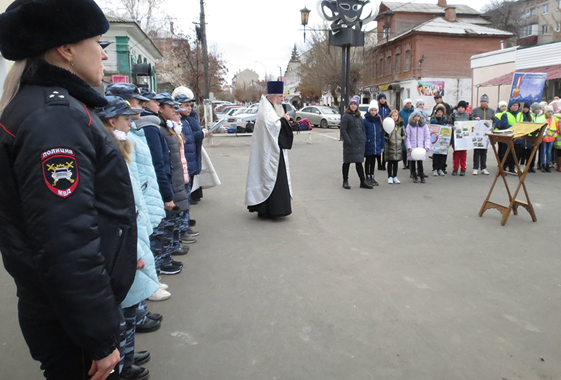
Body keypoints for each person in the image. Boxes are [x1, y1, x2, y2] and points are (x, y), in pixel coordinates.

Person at [0, 1, 136, 379]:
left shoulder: (51, 107)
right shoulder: (53, 118)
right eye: (97, 41)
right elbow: (66, 241)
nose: (104, 54)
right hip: (71, 321)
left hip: (66, 311)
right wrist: (99, 337)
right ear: (66, 49)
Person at [96, 96, 158, 380]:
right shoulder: (107, 153)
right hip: (125, 246)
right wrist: (132, 251)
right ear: (112, 121)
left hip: (132, 239)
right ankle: (121, 366)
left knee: (128, 310)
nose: (131, 123)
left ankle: (127, 357)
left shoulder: (118, 147)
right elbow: (116, 212)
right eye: (126, 119)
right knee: (122, 314)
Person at [246, 81, 294, 216]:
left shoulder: (272, 108)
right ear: (271, 97)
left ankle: (277, 209)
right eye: (280, 96)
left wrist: (283, 120)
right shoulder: (266, 110)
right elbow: (273, 127)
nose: (282, 99)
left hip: (275, 150)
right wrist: (284, 120)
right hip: (268, 152)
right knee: (270, 178)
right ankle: (271, 210)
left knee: (277, 178)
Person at [339, 96, 372, 189]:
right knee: (347, 162)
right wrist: (348, 140)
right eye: (352, 104)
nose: (353, 106)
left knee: (359, 162)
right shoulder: (346, 116)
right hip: (349, 144)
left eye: (355, 104)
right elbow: (343, 130)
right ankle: (345, 181)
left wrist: (363, 139)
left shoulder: (359, 117)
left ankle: (363, 181)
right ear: (349, 106)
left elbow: (362, 129)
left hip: (359, 144)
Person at [471, 94, 495, 175]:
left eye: (485, 101)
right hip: (477, 134)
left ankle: (483, 167)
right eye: (482, 101)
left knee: (484, 151)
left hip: (486, 134)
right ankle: (475, 168)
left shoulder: (491, 111)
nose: (483, 103)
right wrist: (475, 119)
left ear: (487, 102)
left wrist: (493, 127)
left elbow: (495, 120)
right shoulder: (475, 110)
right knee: (476, 151)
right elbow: (470, 118)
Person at [406, 110, 431, 183]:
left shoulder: (424, 125)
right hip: (412, 148)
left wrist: (426, 146)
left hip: (421, 147)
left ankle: (421, 175)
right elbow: (407, 137)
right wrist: (409, 146)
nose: (417, 118)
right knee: (412, 162)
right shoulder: (409, 125)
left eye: (418, 116)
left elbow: (427, 136)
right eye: (415, 116)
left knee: (420, 163)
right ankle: (414, 175)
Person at [363, 100, 384, 186]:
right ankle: (367, 176)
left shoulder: (378, 120)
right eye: (372, 110)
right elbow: (363, 133)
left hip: (376, 144)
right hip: (368, 144)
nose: (373, 112)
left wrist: (382, 145)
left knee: (373, 161)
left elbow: (381, 133)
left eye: (375, 110)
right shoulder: (365, 121)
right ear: (369, 111)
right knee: (368, 160)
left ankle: (372, 176)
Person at [450, 100, 472, 176]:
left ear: (465, 108)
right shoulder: (453, 115)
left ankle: (463, 169)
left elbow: (472, 125)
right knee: (456, 153)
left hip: (465, 138)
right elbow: (449, 124)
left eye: (462, 107)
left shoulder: (469, 116)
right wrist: (452, 127)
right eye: (459, 107)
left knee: (463, 154)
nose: (460, 109)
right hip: (455, 138)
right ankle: (455, 168)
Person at [499, 102, 522, 173]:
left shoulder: (521, 115)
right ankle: (504, 168)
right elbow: (504, 124)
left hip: (518, 137)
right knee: (506, 154)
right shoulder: (506, 114)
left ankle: (512, 168)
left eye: (517, 105)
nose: (515, 107)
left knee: (516, 154)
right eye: (514, 105)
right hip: (508, 137)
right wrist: (514, 127)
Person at [384, 109, 406, 184]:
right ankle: (390, 176)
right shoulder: (388, 124)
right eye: (393, 116)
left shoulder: (401, 125)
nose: (395, 117)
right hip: (390, 146)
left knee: (396, 162)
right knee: (390, 162)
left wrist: (401, 139)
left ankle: (395, 176)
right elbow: (385, 135)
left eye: (396, 116)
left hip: (398, 146)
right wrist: (387, 138)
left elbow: (404, 134)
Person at [429, 104, 450, 176]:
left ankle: (441, 168)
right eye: (438, 112)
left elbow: (449, 126)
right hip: (435, 140)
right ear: (436, 112)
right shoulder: (433, 120)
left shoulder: (445, 120)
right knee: (436, 154)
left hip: (443, 140)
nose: (439, 113)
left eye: (441, 112)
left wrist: (448, 126)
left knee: (443, 155)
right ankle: (435, 169)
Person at [541, 106, 559, 173]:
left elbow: (557, 127)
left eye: (551, 111)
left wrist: (555, 135)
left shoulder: (554, 119)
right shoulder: (543, 118)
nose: (550, 113)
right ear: (545, 112)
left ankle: (548, 165)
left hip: (551, 138)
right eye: (548, 111)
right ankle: (543, 165)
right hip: (544, 138)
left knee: (549, 152)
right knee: (544, 152)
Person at [376, 94, 391, 170]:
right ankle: (379, 164)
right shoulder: (377, 108)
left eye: (383, 98)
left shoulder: (388, 108)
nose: (382, 100)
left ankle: (383, 163)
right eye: (381, 98)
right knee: (379, 147)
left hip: (386, 129)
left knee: (385, 147)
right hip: (379, 129)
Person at [399, 99, 414, 170]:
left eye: (410, 103)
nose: (409, 105)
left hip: (412, 132)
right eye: (407, 103)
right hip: (403, 131)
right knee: (404, 148)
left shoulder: (413, 112)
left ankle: (410, 163)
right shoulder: (401, 112)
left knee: (410, 148)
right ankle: (405, 163)